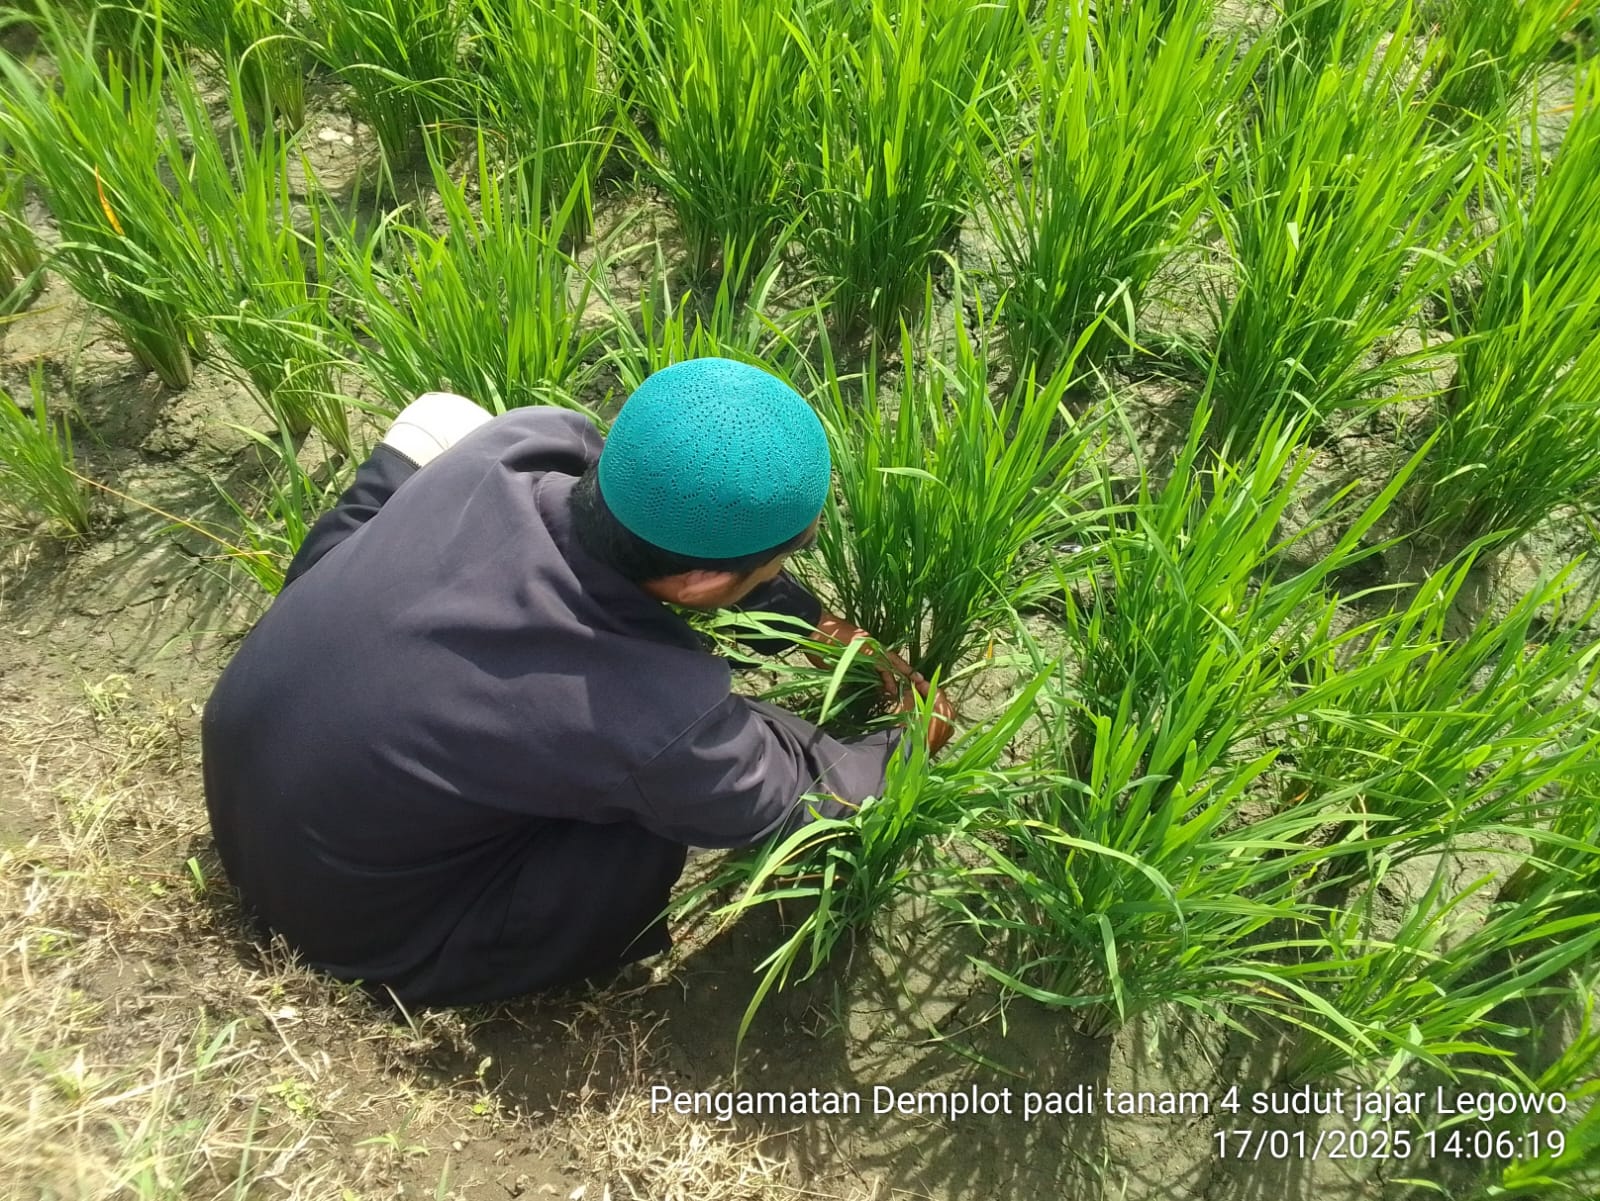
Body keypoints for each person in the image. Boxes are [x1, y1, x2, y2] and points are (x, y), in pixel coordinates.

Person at [201, 357, 953, 1008]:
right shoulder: (649, 709)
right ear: (697, 583)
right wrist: (913, 735)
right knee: (642, 829)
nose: (786, 566)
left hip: (249, 768)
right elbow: (813, 797)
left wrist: (833, 636)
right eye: (785, 556)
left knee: (443, 419)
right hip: (355, 923)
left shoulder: (527, 439)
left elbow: (682, 546)